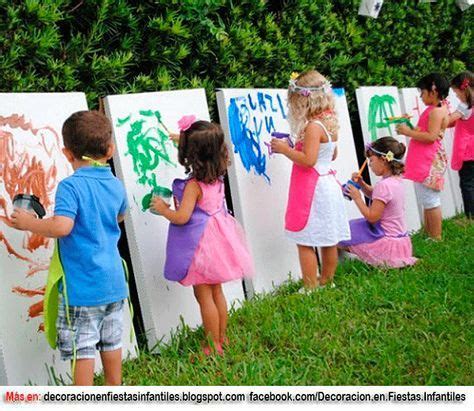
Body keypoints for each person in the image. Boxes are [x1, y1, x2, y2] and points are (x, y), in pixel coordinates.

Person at [11, 111, 128, 385]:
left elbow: (63, 227)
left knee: (83, 349)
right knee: (111, 343)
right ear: (109, 150)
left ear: (66, 153)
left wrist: (30, 223)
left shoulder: (70, 186)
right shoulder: (115, 184)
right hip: (113, 285)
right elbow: (120, 215)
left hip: (83, 288)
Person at [152, 120, 253, 356]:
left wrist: (163, 208)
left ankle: (211, 345)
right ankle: (222, 337)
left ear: (190, 154)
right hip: (219, 239)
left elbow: (182, 217)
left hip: (200, 246)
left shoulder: (193, 186)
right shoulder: (219, 173)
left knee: (203, 295)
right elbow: (210, 145)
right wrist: (184, 139)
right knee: (217, 291)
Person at [271, 70, 350, 291]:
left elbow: (308, 160)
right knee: (328, 237)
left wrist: (285, 150)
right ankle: (327, 280)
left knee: (304, 239)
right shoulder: (329, 122)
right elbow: (331, 154)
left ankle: (310, 286)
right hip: (327, 184)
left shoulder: (313, 127)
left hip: (313, 189)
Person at [339, 137, 417, 268]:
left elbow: (372, 218)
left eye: (371, 160)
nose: (369, 164)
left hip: (386, 242)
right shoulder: (395, 180)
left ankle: (337, 266)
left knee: (341, 233)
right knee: (352, 227)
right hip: (401, 243)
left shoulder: (384, 185)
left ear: (383, 159)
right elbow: (377, 197)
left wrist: (357, 198)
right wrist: (362, 185)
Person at [396, 73, 450, 240]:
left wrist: (407, 132)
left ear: (433, 92)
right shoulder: (437, 109)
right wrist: (412, 127)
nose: (421, 96)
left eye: (422, 93)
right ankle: (430, 233)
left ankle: (436, 236)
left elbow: (431, 137)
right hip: (426, 159)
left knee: (431, 200)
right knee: (426, 199)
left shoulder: (435, 112)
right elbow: (425, 131)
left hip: (429, 160)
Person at [448, 71, 474, 218]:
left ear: (464, 89)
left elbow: (449, 120)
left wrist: (440, 114)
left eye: (456, 93)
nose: (456, 96)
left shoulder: (464, 106)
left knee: (467, 184)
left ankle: (470, 217)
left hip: (467, 151)